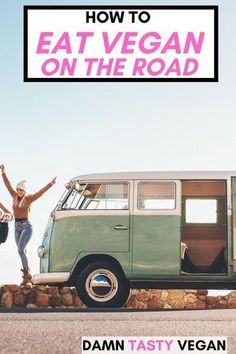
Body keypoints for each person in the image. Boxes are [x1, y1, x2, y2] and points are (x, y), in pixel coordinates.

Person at [0, 164, 56, 286]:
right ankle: (27, 275)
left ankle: (26, 274)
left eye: (21, 190)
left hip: (26, 226)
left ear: (25, 191)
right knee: (21, 251)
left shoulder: (29, 199)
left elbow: (40, 193)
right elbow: (7, 185)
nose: (19, 192)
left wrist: (50, 184)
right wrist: (3, 172)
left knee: (21, 249)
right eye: (18, 189)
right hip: (16, 226)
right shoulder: (14, 196)